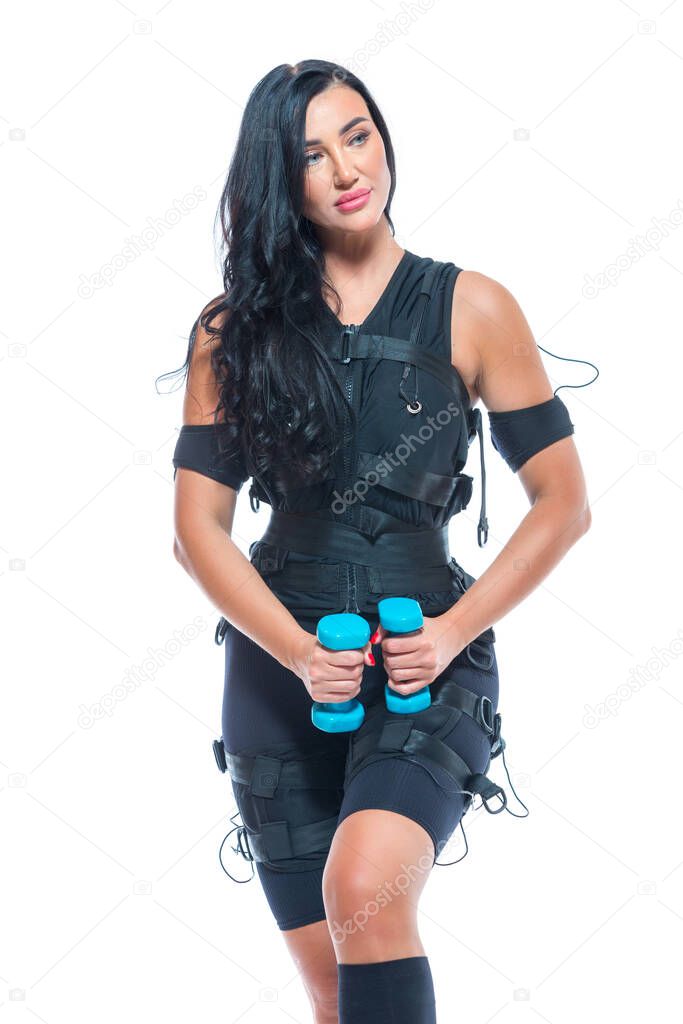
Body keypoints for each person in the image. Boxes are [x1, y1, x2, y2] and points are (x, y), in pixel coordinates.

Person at [166, 60, 592, 1024]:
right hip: (280, 679)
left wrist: (448, 634)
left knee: (363, 892)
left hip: (425, 666)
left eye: (358, 134)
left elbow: (563, 501)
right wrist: (300, 654)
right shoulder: (231, 331)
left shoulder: (472, 306)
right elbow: (198, 533)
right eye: (310, 154)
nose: (346, 168)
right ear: (282, 180)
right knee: (331, 991)